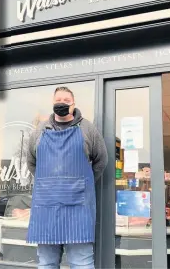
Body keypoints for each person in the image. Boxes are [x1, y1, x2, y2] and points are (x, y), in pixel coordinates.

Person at [26, 86, 108, 269]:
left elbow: (101, 160)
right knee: (47, 263)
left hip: (78, 207)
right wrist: (48, 184)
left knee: (82, 264)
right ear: (53, 103)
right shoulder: (40, 130)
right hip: (46, 207)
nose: (61, 103)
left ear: (73, 104)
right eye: (58, 101)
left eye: (66, 101)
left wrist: (82, 184)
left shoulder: (88, 129)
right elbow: (32, 162)